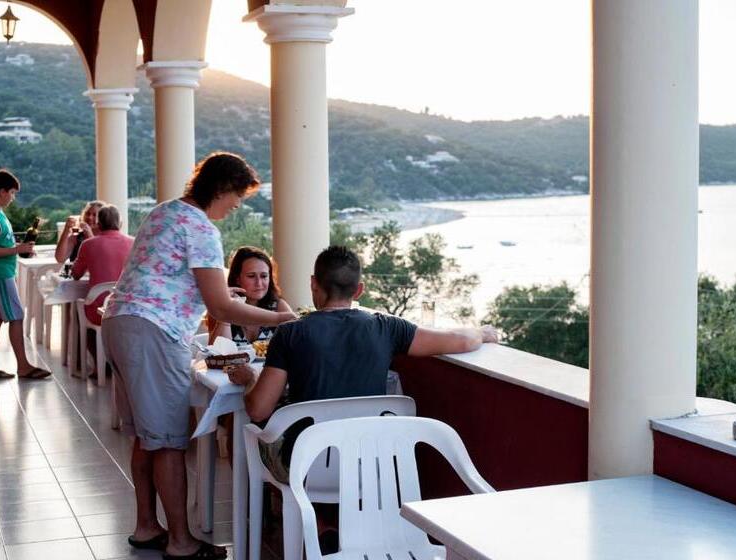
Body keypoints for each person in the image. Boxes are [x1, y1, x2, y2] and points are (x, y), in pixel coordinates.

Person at [101, 152, 297, 560]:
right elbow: (221, 310)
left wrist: (228, 297)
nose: (237, 205)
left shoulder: (165, 212)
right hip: (153, 331)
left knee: (147, 435)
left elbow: (175, 278)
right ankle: (181, 542)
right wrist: (285, 320)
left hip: (122, 322)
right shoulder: (202, 228)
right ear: (222, 189)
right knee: (170, 441)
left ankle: (146, 525)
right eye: (237, 197)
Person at [227, 245, 500, 482]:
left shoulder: (290, 334)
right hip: (371, 462)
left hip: (307, 467)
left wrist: (250, 379)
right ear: (359, 290)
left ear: (313, 283)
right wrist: (484, 333)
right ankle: (324, 524)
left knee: (260, 437)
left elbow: (259, 410)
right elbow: (459, 340)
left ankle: (300, 523)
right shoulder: (388, 328)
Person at [0, 169, 51, 381]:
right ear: (2, 191)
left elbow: (1, 244)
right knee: (17, 316)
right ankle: (23, 366)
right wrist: (16, 250)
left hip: (0, 272)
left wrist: (19, 246)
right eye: (12, 193)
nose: (13, 198)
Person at [71, 204, 134, 376]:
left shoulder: (88, 244)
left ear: (99, 223)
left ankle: (97, 365)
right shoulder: (133, 243)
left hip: (99, 309)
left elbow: (75, 274)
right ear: (120, 223)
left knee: (79, 312)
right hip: (126, 306)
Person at [207, 246, 293, 345]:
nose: (259, 283)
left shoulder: (278, 306)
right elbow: (217, 354)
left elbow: (296, 345)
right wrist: (226, 311)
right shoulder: (220, 308)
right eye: (251, 276)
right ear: (237, 279)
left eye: (264, 276)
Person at [54, 199, 104, 264]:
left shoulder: (107, 236)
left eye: (94, 215)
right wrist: (66, 230)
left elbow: (101, 260)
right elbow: (59, 259)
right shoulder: (77, 237)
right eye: (87, 213)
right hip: (77, 273)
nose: (90, 217)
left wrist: (90, 235)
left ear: (103, 217)